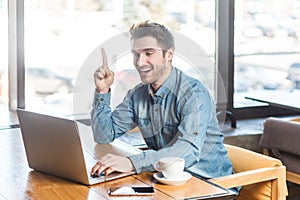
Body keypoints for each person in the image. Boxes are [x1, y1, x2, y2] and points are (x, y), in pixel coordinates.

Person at [90, 20, 235, 188]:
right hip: (166, 182)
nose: (139, 62)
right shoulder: (138, 95)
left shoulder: (194, 94)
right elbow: (103, 135)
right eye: (136, 54)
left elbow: (187, 151)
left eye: (148, 53)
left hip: (211, 186)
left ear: (169, 54)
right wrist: (102, 91)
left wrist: (131, 163)